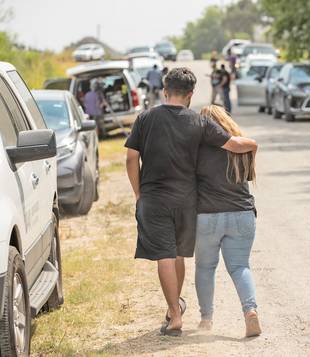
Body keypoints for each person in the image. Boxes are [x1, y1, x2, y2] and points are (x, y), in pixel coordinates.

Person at [125, 68, 257, 337]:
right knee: (179, 255)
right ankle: (241, 309)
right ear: (190, 94)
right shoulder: (199, 122)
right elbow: (234, 144)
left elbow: (131, 159)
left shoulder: (145, 118)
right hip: (186, 201)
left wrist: (139, 195)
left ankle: (175, 314)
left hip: (154, 199)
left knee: (166, 256)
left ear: (164, 90)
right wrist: (253, 144)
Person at [195, 104, 260, 337]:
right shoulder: (240, 145)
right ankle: (250, 311)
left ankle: (206, 319)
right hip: (242, 215)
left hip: (207, 216)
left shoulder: (197, 148)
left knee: (205, 267)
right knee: (240, 266)